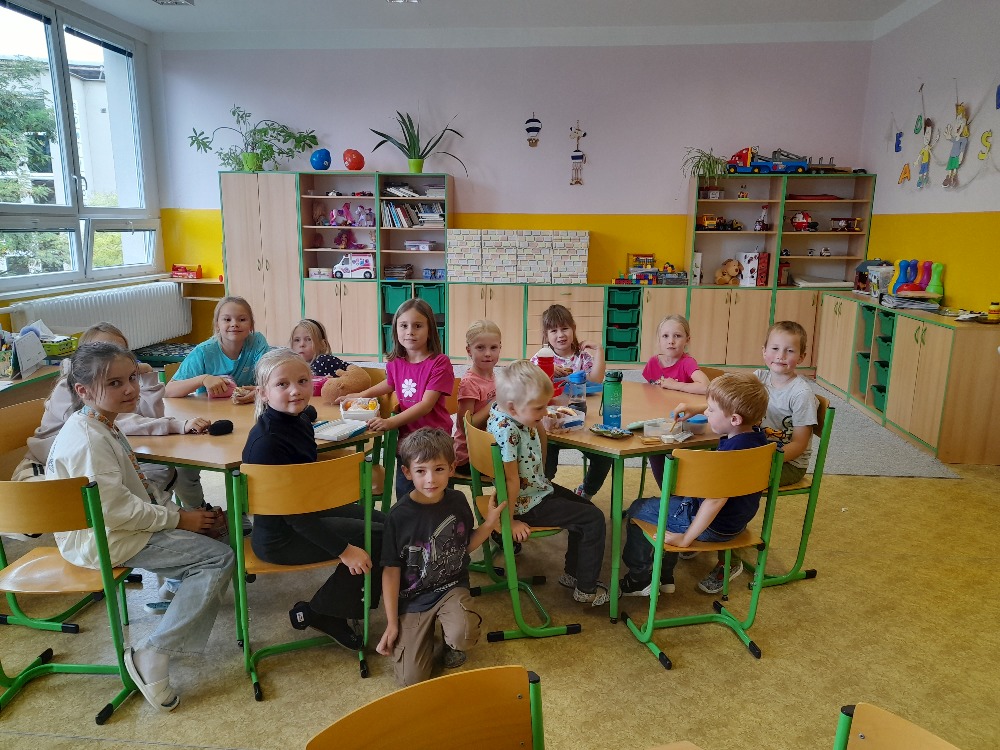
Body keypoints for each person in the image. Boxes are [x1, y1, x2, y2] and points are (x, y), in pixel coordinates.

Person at [46, 342, 234, 713]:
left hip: (116, 528)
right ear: (83, 390)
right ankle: (153, 652)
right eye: (115, 383)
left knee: (225, 530)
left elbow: (139, 493)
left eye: (132, 378)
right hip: (104, 539)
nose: (131, 389)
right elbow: (116, 512)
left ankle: (176, 593)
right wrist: (180, 519)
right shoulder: (89, 438)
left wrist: (184, 517)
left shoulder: (101, 424)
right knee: (218, 558)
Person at [242, 348, 384, 649]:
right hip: (281, 537)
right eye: (282, 384)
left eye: (302, 381)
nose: (295, 390)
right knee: (375, 537)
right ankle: (322, 613)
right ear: (263, 393)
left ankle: (364, 593)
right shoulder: (268, 443)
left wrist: (309, 411)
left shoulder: (297, 419)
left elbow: (308, 414)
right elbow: (294, 515)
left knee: (388, 523)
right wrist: (344, 550)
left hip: (308, 510)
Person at [620, 372, 770, 598]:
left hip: (714, 526)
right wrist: (703, 408)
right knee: (671, 504)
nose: (706, 413)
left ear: (735, 419)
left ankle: (639, 579)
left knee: (637, 509)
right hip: (736, 523)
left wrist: (686, 539)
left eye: (711, 410)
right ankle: (665, 576)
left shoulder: (730, 456)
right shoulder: (758, 440)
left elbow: (716, 500)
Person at [13, 322, 210, 493]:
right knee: (93, 498)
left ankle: (168, 513)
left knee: (161, 471)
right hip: (45, 465)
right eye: (103, 351)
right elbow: (119, 423)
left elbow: (151, 417)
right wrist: (175, 425)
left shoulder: (120, 386)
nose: (114, 358)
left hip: (93, 461)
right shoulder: (70, 389)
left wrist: (147, 376)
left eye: (121, 352)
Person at [376, 428, 504, 686]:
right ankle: (427, 631)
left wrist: (489, 524)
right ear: (407, 473)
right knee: (411, 680)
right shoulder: (398, 517)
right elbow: (390, 571)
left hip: (451, 587)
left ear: (452, 468)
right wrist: (391, 623)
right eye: (421, 471)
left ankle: (450, 637)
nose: (430, 479)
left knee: (463, 634)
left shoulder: (458, 501)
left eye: (439, 469)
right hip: (413, 599)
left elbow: (463, 546)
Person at [487, 360, 609, 605]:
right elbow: (510, 480)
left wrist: (539, 421)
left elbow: (537, 444)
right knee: (593, 519)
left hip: (535, 491)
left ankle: (574, 575)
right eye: (539, 408)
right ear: (513, 407)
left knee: (588, 511)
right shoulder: (508, 431)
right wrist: (509, 521)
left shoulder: (505, 414)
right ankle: (586, 589)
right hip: (525, 504)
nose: (544, 412)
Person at [165, 296, 269, 522]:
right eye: (227, 319)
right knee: (184, 470)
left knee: (256, 458)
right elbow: (169, 390)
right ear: (217, 325)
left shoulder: (257, 342)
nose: (234, 324)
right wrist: (203, 378)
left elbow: (271, 378)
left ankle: (247, 513)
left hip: (246, 422)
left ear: (251, 325)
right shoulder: (204, 352)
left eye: (242, 319)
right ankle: (201, 513)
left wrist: (257, 391)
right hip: (208, 424)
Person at [340, 298, 454, 501]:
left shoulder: (439, 362)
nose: (410, 331)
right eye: (404, 326)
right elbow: (390, 384)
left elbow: (426, 405)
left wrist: (390, 422)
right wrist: (360, 395)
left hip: (434, 439)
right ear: (395, 330)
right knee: (406, 494)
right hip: (406, 440)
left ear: (430, 330)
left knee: (438, 494)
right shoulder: (396, 362)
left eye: (417, 326)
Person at [530, 304, 611, 501]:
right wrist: (546, 370)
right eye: (553, 331)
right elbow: (528, 385)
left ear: (573, 328)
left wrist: (599, 350)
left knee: (604, 456)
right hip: (551, 424)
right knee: (546, 462)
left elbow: (596, 379)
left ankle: (586, 492)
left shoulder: (581, 357)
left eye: (565, 328)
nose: (560, 335)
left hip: (580, 419)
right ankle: (543, 497)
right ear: (546, 335)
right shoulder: (541, 358)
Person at [641, 314, 710, 489]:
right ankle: (667, 493)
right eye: (665, 336)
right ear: (659, 339)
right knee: (653, 447)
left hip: (683, 421)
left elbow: (706, 386)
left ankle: (675, 492)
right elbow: (647, 391)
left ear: (687, 340)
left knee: (669, 452)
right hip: (660, 419)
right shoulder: (653, 362)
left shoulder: (687, 363)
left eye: (677, 336)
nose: (671, 341)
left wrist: (675, 385)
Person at [754, 321, 819, 488]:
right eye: (775, 348)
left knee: (734, 476)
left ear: (801, 357)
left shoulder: (801, 394)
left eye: (789, 351)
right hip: (759, 450)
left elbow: (799, 444)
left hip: (789, 464)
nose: (780, 355)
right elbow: (729, 396)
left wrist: (763, 458)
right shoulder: (758, 378)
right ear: (764, 351)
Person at [452, 319, 500, 474]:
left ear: (500, 348)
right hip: (470, 456)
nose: (488, 353)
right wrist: (495, 402)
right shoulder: (469, 383)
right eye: (480, 347)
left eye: (493, 347)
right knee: (516, 466)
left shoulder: (494, 377)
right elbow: (466, 425)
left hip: (489, 446)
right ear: (469, 350)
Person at [288, 318, 367, 380]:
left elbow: (358, 374)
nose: (301, 344)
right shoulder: (292, 366)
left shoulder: (324, 361)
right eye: (297, 340)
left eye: (309, 339)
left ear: (322, 344)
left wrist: (336, 380)